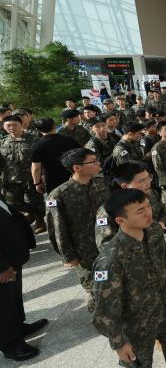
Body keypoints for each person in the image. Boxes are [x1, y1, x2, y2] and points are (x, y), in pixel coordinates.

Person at [91, 189, 166, 367]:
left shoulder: (153, 230)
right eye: (140, 211)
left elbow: (162, 257)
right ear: (120, 220)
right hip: (137, 324)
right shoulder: (110, 260)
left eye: (148, 206)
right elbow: (104, 309)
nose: (148, 213)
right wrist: (119, 344)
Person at [45, 148, 110, 311]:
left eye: (97, 160)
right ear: (77, 167)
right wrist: (68, 256)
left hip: (108, 242)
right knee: (96, 286)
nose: (98, 164)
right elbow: (57, 230)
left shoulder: (100, 182)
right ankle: (98, 312)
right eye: (93, 161)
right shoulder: (58, 195)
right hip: (84, 252)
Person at [0, 198, 46, 361]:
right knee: (3, 304)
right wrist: (2, 267)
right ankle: (10, 344)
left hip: (10, 258)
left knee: (13, 298)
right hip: (3, 265)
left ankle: (17, 327)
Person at [94, 162, 166, 250]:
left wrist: (161, 223)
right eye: (141, 181)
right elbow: (105, 245)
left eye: (148, 178)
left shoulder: (150, 194)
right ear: (125, 186)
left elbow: (162, 210)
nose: (148, 183)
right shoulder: (107, 211)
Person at [0, 115, 44, 233]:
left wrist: (43, 175)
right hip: (11, 179)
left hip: (32, 177)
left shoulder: (34, 140)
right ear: (4, 127)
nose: (12, 128)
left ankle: (40, 220)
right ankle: (32, 212)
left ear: (21, 125)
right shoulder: (2, 143)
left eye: (15, 125)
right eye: (8, 125)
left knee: (36, 200)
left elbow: (42, 159)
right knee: (12, 203)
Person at [30, 117, 81, 202]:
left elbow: (36, 168)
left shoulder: (38, 146)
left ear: (37, 129)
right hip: (72, 175)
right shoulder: (70, 140)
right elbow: (81, 156)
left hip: (52, 179)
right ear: (54, 126)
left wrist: (37, 183)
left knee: (55, 201)